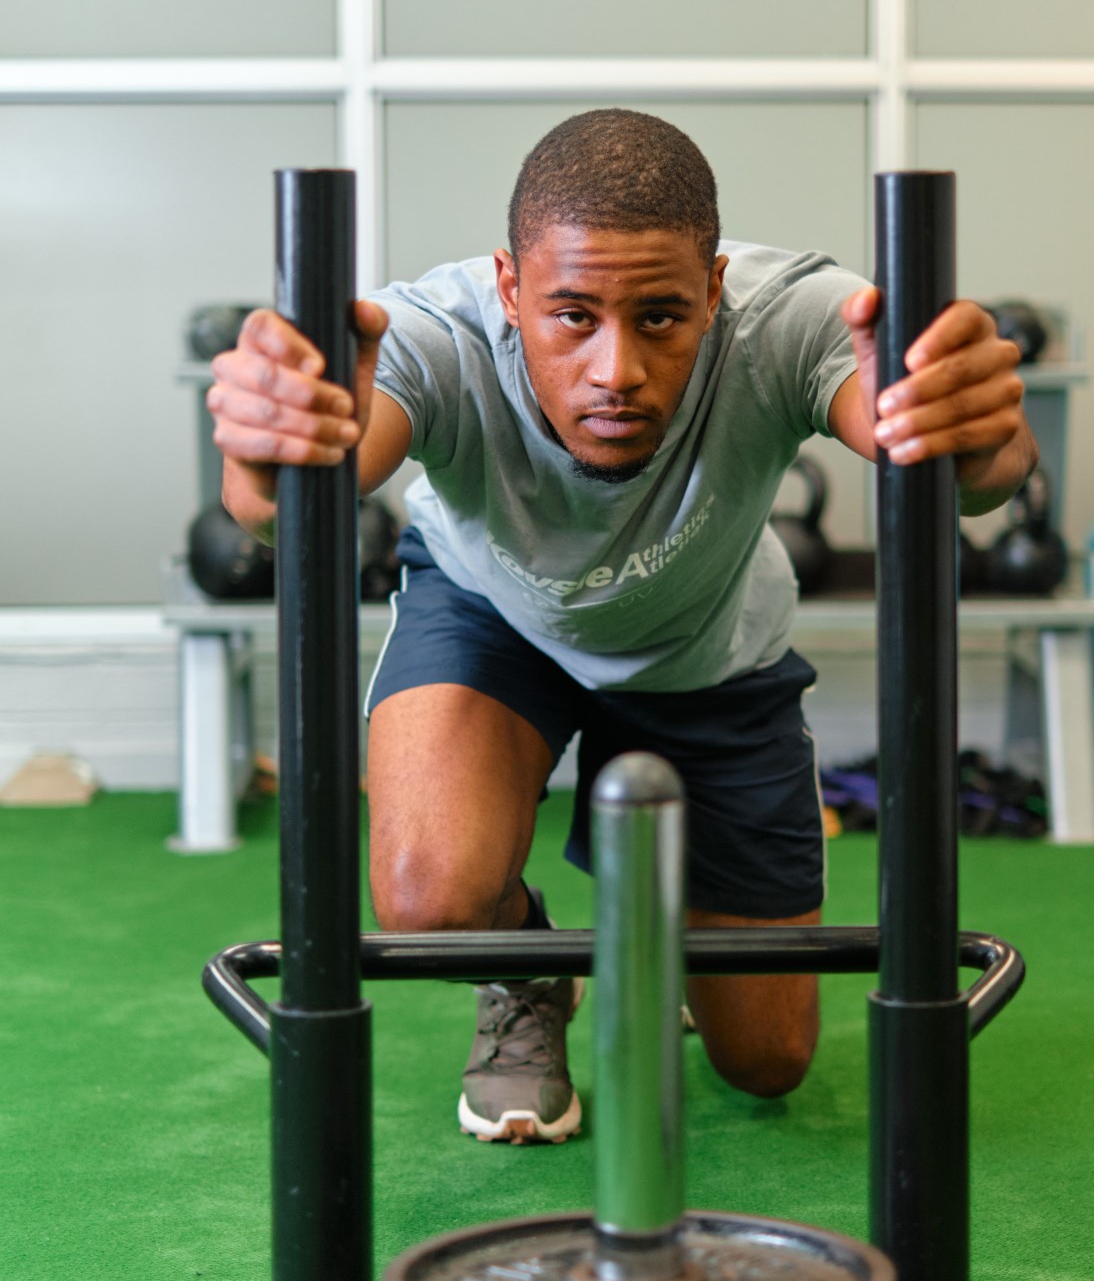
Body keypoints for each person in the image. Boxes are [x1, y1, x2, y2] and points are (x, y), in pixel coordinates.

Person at [210, 110, 1036, 1144]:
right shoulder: (432, 330)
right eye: (570, 317)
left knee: (767, 1062)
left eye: (658, 317)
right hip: (493, 619)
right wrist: (268, 447)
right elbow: (295, 491)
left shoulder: (791, 314)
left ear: (715, 287)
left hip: (709, 651)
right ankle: (534, 972)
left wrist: (977, 431)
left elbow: (954, 460)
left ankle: (687, 942)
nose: (615, 370)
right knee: (427, 898)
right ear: (511, 288)